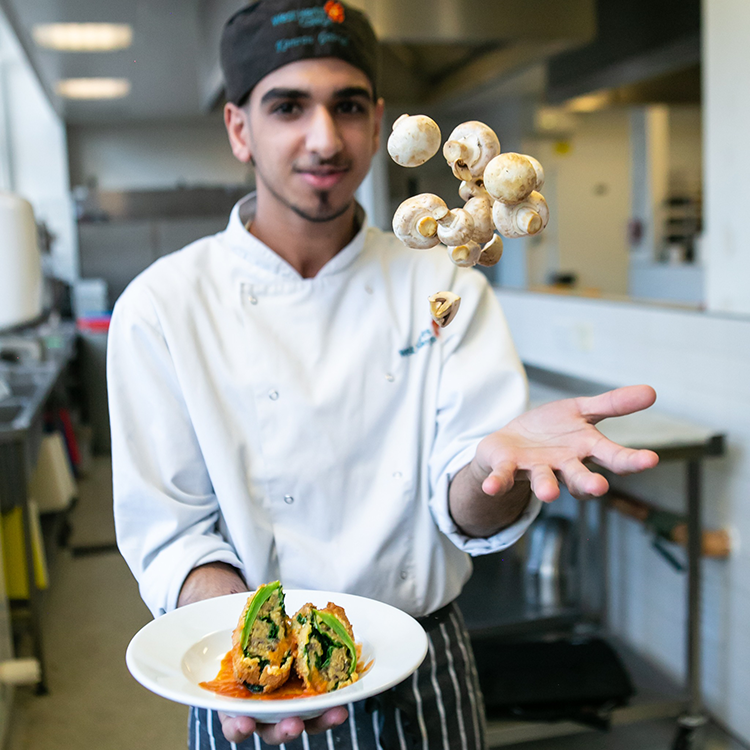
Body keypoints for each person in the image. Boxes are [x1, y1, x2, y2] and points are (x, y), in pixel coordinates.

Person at [107, 1, 659, 748]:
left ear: (379, 123)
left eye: (349, 105)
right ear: (240, 128)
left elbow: (464, 499)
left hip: (418, 671)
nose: (325, 138)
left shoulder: (442, 280)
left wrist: (498, 472)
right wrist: (262, 653)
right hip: (251, 678)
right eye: (288, 106)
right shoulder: (163, 307)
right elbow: (173, 536)